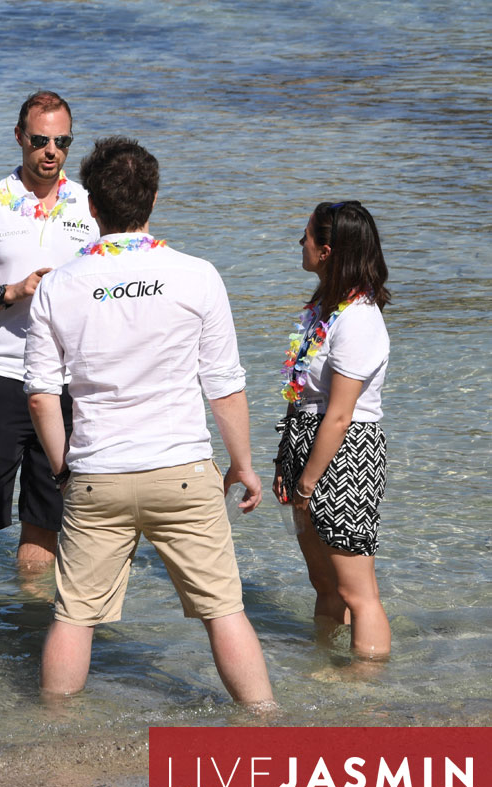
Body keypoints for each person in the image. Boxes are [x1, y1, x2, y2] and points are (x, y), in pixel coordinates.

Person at [24, 137, 273, 704]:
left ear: (91, 206)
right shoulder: (196, 274)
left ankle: (51, 744)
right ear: (154, 200)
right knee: (224, 611)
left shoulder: (58, 286)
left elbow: (40, 396)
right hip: (181, 469)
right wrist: (243, 465)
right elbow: (225, 385)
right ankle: (264, 722)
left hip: (97, 474)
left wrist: (65, 468)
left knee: (74, 617)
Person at [0, 90, 97, 578]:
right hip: (2, 377)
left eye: (62, 141)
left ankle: (28, 636)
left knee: (46, 524)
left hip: (69, 383)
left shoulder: (89, 204)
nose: (51, 151)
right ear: (19, 137)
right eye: (40, 140)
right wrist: (11, 292)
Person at [274, 201, 391, 658]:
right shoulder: (327, 309)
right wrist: (288, 460)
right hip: (309, 444)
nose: (298, 243)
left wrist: (307, 482)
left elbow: (340, 415)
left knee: (357, 591)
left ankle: (366, 691)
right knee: (323, 581)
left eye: (304, 236)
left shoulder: (358, 318)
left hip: (346, 457)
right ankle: (325, 670)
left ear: (326, 251)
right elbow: (303, 395)